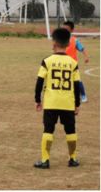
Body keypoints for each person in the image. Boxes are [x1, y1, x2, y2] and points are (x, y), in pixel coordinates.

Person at [34, 28, 81, 169]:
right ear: (68, 44)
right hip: (67, 103)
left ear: (54, 43)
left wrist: (38, 100)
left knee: (48, 129)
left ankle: (45, 160)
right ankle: (73, 159)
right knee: (71, 130)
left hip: (51, 103)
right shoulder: (73, 63)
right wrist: (77, 104)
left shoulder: (47, 61)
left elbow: (39, 82)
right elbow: (76, 85)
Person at [63, 21, 90, 102]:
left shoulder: (74, 40)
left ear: (71, 30)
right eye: (63, 29)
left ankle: (83, 95)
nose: (64, 31)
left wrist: (86, 57)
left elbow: (82, 49)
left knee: (77, 81)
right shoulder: (60, 39)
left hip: (73, 65)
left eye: (66, 29)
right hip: (62, 64)